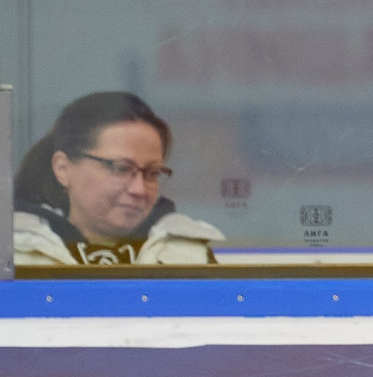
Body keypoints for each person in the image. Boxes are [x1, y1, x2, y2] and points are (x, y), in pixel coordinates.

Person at [13, 91, 222, 267]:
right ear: (63, 169)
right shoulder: (12, 257)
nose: (139, 189)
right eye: (121, 169)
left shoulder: (190, 258)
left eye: (152, 173)